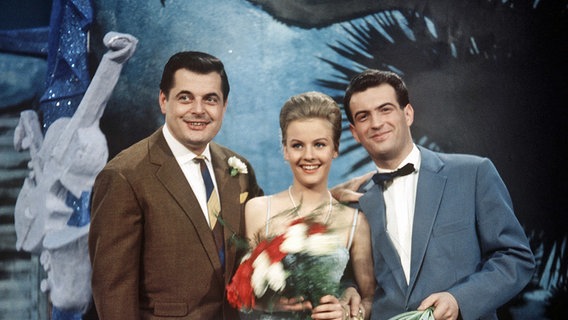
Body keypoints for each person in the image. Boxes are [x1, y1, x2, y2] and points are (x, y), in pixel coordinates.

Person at [338, 69, 536, 320]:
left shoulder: (473, 173)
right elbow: (351, 277)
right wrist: (349, 290)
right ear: (355, 132)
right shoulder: (355, 202)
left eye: (385, 109)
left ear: (407, 114)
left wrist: (459, 299)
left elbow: (516, 257)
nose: (376, 123)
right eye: (364, 116)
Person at [88, 51, 263, 319]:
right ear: (163, 101)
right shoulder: (124, 176)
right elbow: (113, 292)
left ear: (224, 106)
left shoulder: (238, 168)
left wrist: (327, 201)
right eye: (185, 98)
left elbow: (268, 229)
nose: (198, 110)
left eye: (210, 99)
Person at [240, 92, 375, 320]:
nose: (309, 155)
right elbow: (239, 291)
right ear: (285, 150)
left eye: (319, 144)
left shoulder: (355, 222)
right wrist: (266, 304)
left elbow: (369, 298)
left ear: (335, 149)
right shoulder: (257, 210)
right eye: (297, 145)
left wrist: (348, 312)